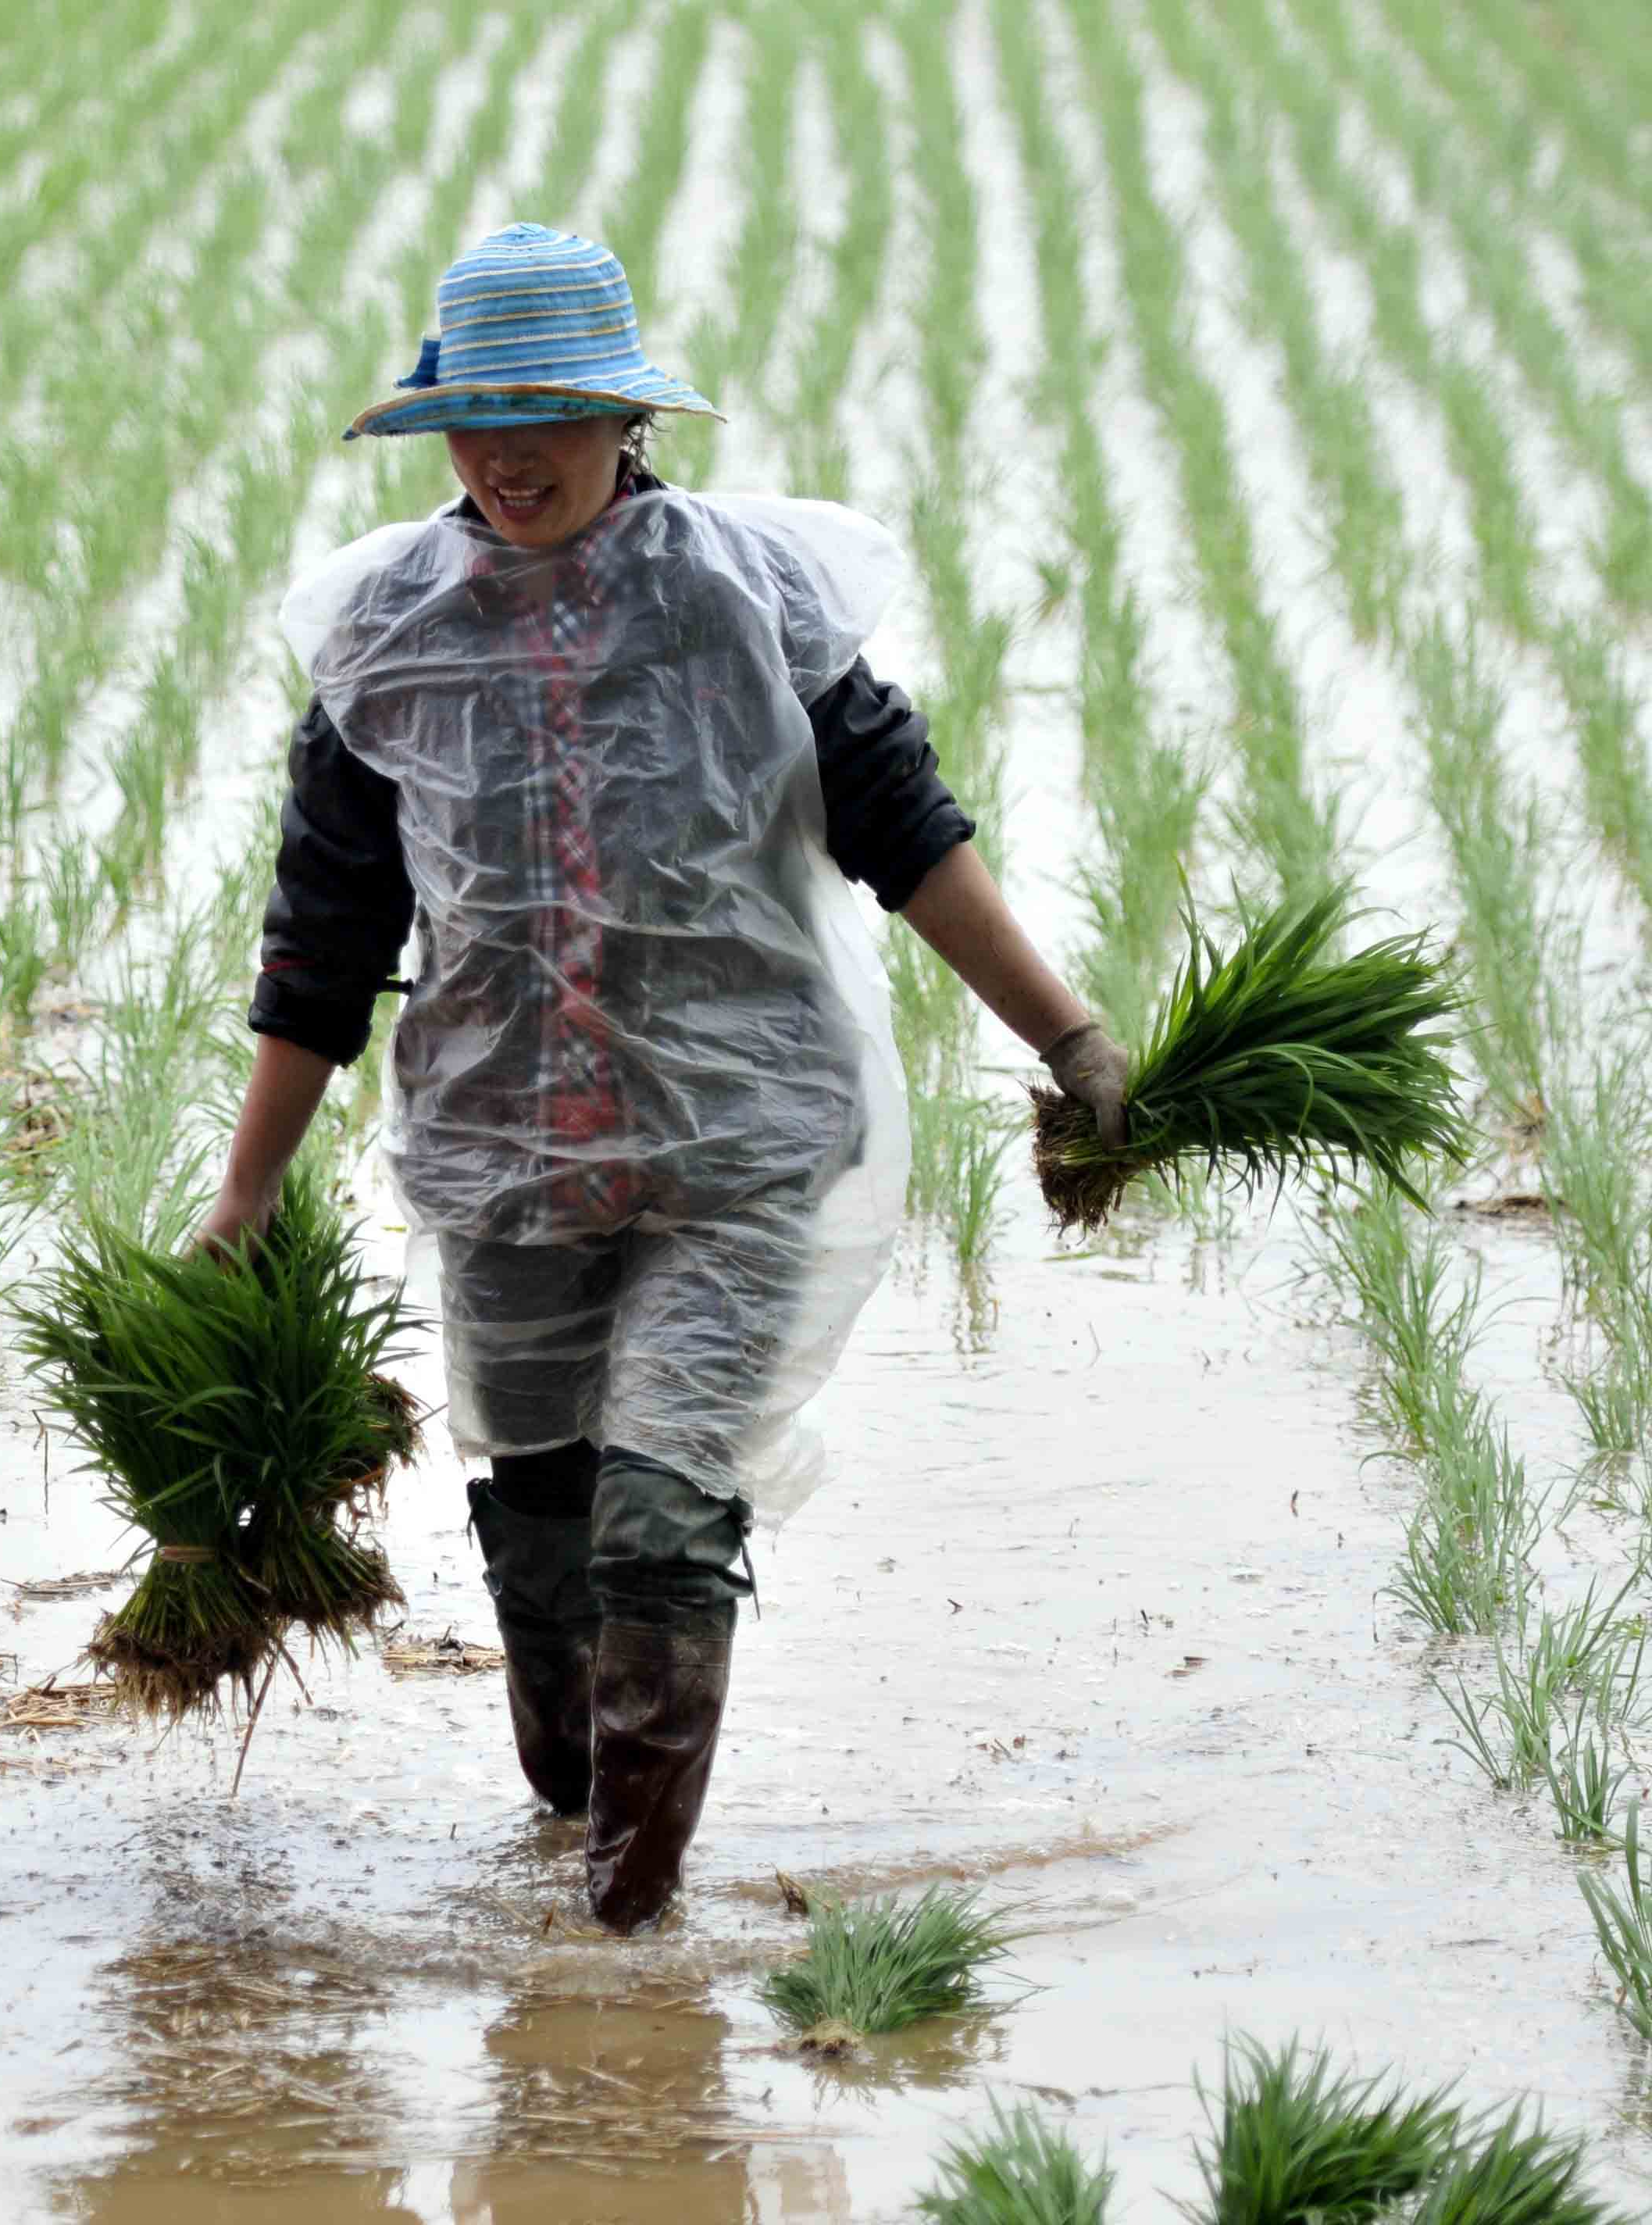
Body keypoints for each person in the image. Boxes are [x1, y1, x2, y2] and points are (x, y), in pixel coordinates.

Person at [201, 223, 1128, 1933]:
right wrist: (246, 1184)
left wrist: (1068, 1042)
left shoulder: (746, 600)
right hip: (502, 1153)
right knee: (542, 1553)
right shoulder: (383, 633)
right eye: (477, 416)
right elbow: (321, 937)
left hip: (735, 1143)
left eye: (547, 410)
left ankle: (621, 1944)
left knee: (654, 1521)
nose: (509, 452)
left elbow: (905, 837)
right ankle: (578, 1829)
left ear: (627, 419)